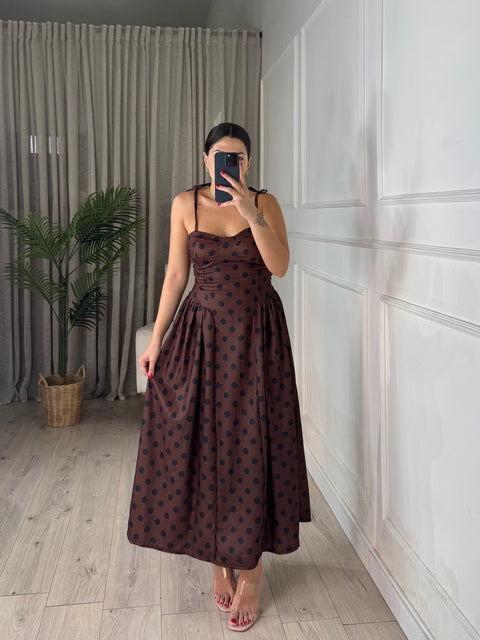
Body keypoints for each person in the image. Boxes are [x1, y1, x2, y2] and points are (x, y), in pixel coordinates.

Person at [127, 122, 311, 632]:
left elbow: (280, 266)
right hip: (202, 338)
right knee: (204, 445)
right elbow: (175, 275)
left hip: (259, 340)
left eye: (240, 157)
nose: (230, 163)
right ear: (206, 159)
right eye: (221, 156)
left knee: (254, 446)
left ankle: (251, 569)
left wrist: (250, 212)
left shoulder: (265, 204)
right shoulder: (185, 204)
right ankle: (218, 557)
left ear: (248, 163)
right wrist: (156, 339)